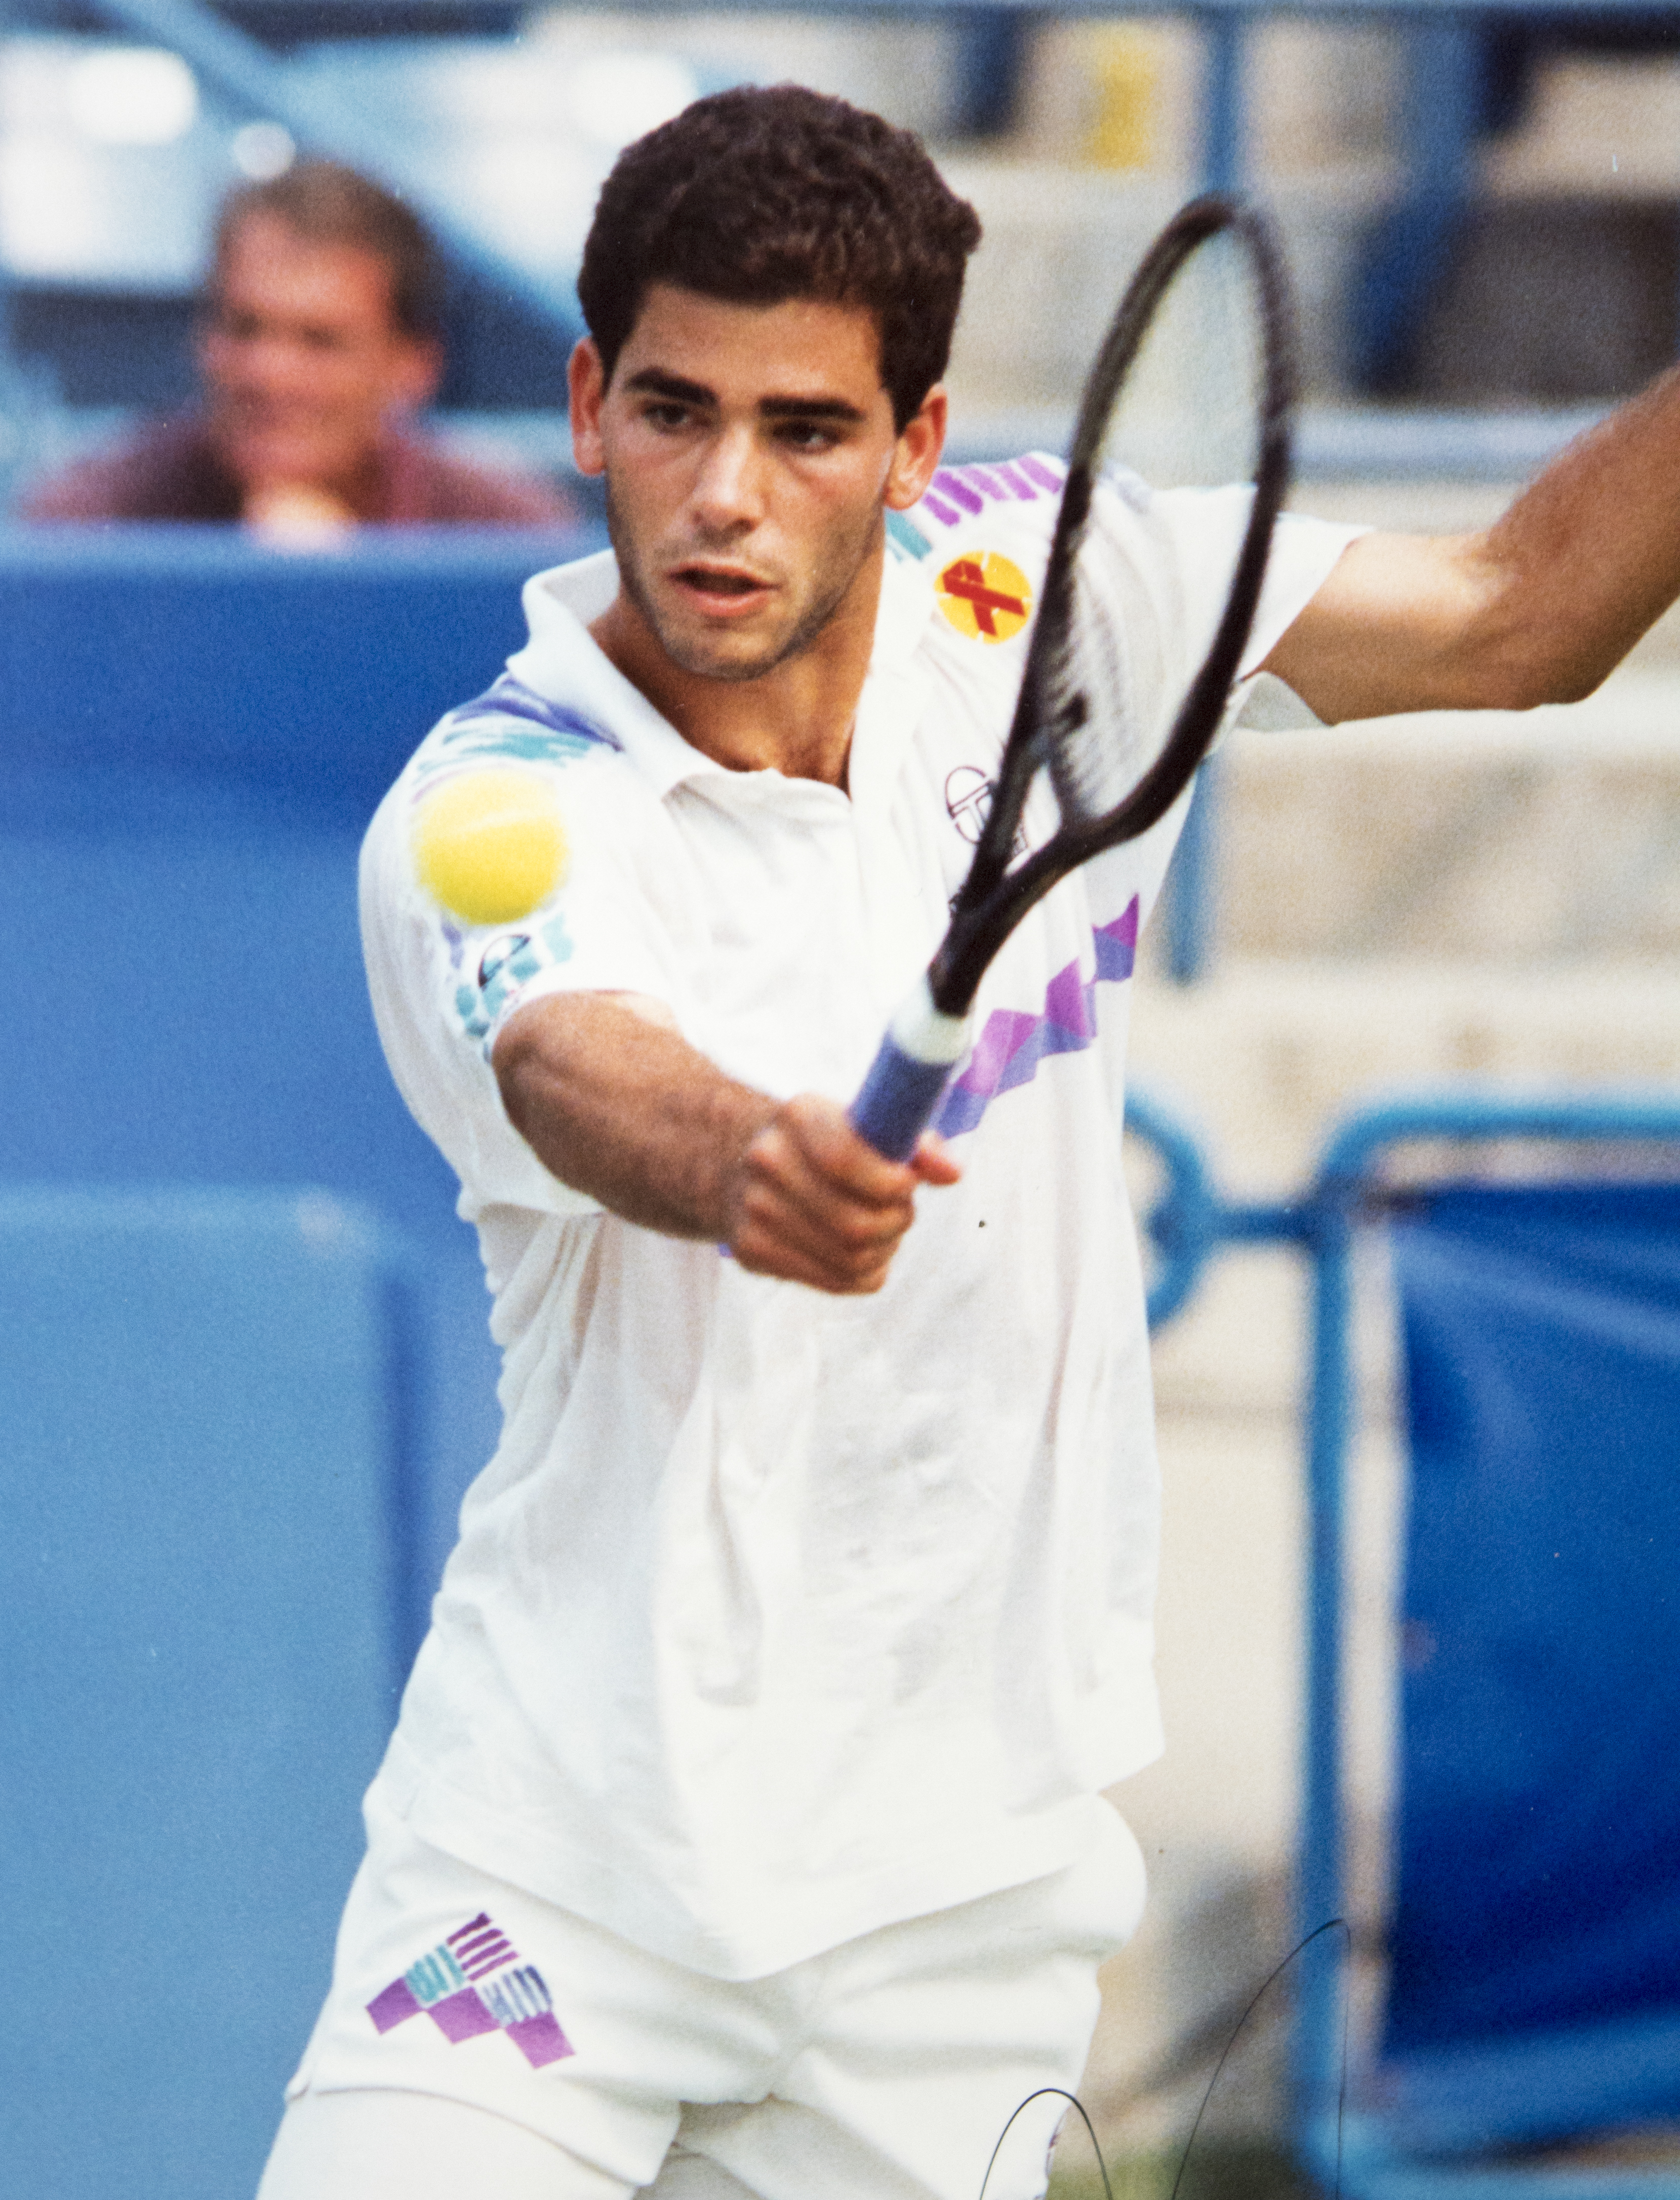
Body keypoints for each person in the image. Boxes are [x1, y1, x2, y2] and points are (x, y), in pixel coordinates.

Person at [259, 84, 1680, 2200]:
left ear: (913, 444)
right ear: (581, 400)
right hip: (558, 1869)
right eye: (671, 409)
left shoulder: (1048, 595)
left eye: (805, 428)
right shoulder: (495, 810)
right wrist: (754, 1159)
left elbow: (1518, 614)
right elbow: (575, 1061)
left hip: (955, 1913)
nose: (721, 494)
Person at [21, 160, 571, 536]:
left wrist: (335, 592)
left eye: (320, 341)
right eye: (244, 328)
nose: (270, 373)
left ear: (414, 364)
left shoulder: (507, 539)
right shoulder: (87, 525)